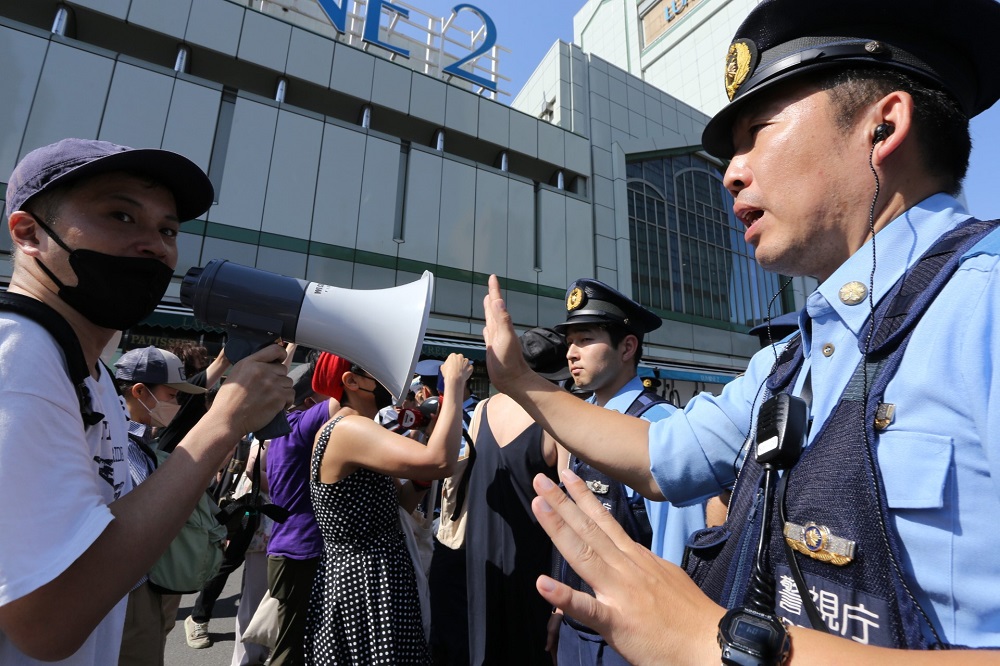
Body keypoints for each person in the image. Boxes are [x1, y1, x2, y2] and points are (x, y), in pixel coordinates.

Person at [481, 0, 1000, 661]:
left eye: (758, 130)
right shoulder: (795, 358)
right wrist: (522, 384)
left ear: (883, 126)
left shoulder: (983, 305)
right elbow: (660, 458)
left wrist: (711, 640)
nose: (731, 170)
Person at [0, 138, 293, 664]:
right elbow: (47, 623)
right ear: (28, 235)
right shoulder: (18, 358)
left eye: (168, 230)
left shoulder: (82, 372)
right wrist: (222, 423)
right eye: (121, 215)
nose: (156, 246)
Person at [549, 279, 705, 664]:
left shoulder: (661, 428)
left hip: (632, 639)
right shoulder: (582, 424)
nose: (571, 353)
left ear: (627, 347)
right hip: (576, 625)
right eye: (570, 342)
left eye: (585, 339)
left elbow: (676, 557)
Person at [304, 353, 473, 665]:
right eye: (374, 369)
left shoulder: (355, 428)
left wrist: (421, 474)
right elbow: (440, 462)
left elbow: (400, 503)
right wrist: (453, 386)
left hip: (376, 574)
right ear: (351, 382)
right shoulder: (348, 428)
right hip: (365, 580)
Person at [463, 327, 568, 666]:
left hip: (481, 560)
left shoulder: (481, 410)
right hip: (537, 569)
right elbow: (572, 511)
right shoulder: (559, 418)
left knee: (485, 649)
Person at [113, 346, 208, 666]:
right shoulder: (119, 443)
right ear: (140, 391)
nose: (176, 405)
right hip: (134, 588)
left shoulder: (139, 437)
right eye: (171, 395)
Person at [260, 350, 348, 666]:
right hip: (302, 551)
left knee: (296, 643)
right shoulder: (300, 426)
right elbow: (343, 400)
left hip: (286, 549)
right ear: (310, 403)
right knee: (290, 650)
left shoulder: (281, 433)